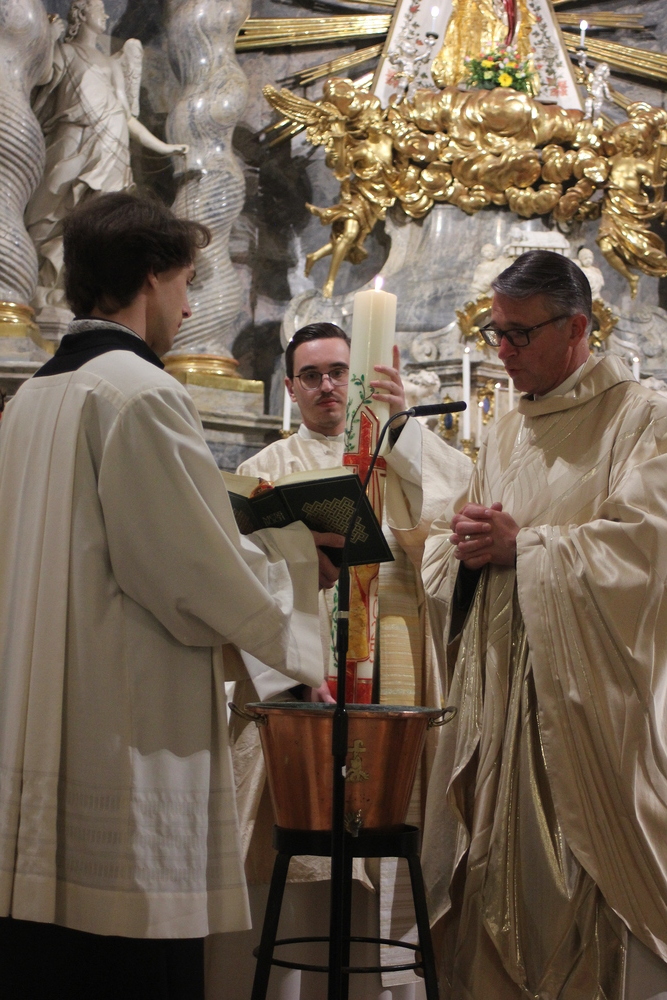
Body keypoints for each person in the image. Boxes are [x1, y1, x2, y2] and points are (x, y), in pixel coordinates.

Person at [0, 192, 342, 1000]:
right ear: (152, 276)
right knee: (126, 964)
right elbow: (189, 571)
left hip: (33, 726)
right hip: (121, 737)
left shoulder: (29, 400)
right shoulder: (142, 393)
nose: (189, 308)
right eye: (187, 283)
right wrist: (300, 565)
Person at [421, 249, 667, 999]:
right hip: (496, 698)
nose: (503, 351)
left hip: (582, 711)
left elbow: (645, 552)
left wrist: (522, 548)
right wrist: (463, 548)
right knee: (487, 875)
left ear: (576, 329)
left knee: (567, 887)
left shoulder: (641, 417)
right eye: (494, 333)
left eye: (519, 334)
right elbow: (464, 547)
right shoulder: (503, 431)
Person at [212, 322, 472, 999]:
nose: (327, 386)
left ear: (359, 379)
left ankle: (385, 986)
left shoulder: (399, 451)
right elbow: (239, 575)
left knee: (393, 834)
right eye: (312, 375)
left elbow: (456, 514)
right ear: (291, 387)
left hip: (394, 661)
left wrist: (402, 429)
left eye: (339, 372)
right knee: (295, 851)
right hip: (303, 676)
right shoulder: (268, 467)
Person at [25, 0, 187, 319]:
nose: (106, 15)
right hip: (71, 138)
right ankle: (40, 278)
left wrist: (164, 148)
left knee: (103, 220)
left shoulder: (112, 64)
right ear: (82, 15)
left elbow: (126, 117)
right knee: (49, 211)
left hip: (112, 145)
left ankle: (85, 289)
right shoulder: (64, 52)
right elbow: (39, 77)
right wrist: (49, 38)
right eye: (100, 10)